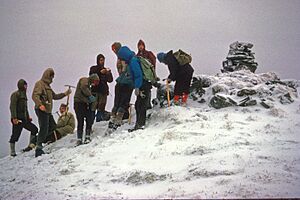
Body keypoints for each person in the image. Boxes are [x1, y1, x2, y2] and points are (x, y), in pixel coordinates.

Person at [32, 68, 71, 157]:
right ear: (47, 76)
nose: (52, 79)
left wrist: (65, 94)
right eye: (51, 77)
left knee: (53, 126)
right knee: (44, 127)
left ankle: (39, 139)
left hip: (48, 111)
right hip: (41, 110)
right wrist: (40, 105)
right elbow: (35, 96)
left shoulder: (48, 87)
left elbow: (55, 96)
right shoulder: (40, 84)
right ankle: (38, 148)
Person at [117, 45, 152, 132]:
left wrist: (137, 87)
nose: (121, 60)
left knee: (141, 105)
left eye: (121, 58)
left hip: (143, 85)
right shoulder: (132, 60)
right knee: (138, 105)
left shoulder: (133, 61)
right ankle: (139, 124)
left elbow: (138, 75)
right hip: (142, 84)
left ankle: (140, 124)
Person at [106, 42, 134, 134]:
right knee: (123, 102)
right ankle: (118, 120)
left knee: (117, 102)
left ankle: (113, 119)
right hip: (127, 82)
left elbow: (121, 70)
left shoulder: (121, 57)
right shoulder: (129, 57)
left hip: (121, 82)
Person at [9, 79, 38, 156]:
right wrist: (14, 118)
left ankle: (30, 146)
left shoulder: (24, 95)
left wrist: (28, 117)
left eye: (26, 85)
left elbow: (25, 108)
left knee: (34, 129)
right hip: (18, 119)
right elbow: (12, 107)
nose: (26, 87)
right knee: (15, 135)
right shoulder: (15, 94)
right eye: (25, 85)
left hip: (25, 119)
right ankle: (12, 152)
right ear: (21, 85)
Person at [74, 73, 99, 145]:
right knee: (80, 120)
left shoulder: (89, 85)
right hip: (79, 103)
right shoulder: (85, 80)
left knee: (89, 119)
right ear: (93, 79)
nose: (96, 83)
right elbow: (83, 87)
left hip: (84, 104)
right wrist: (90, 95)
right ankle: (79, 138)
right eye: (96, 81)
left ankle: (87, 136)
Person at [89, 54, 113, 122]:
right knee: (93, 107)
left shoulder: (105, 70)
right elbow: (91, 75)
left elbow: (110, 80)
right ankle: (90, 123)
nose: (102, 62)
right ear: (98, 60)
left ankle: (98, 122)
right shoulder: (93, 68)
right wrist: (100, 72)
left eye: (103, 60)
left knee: (101, 108)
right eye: (101, 60)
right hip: (95, 91)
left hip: (103, 92)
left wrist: (108, 73)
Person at [136, 39, 157, 109]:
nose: (140, 47)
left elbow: (153, 63)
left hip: (148, 75)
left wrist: (152, 73)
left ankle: (148, 105)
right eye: (139, 46)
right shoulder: (137, 55)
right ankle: (144, 106)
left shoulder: (148, 53)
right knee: (142, 90)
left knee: (148, 89)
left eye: (142, 45)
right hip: (141, 76)